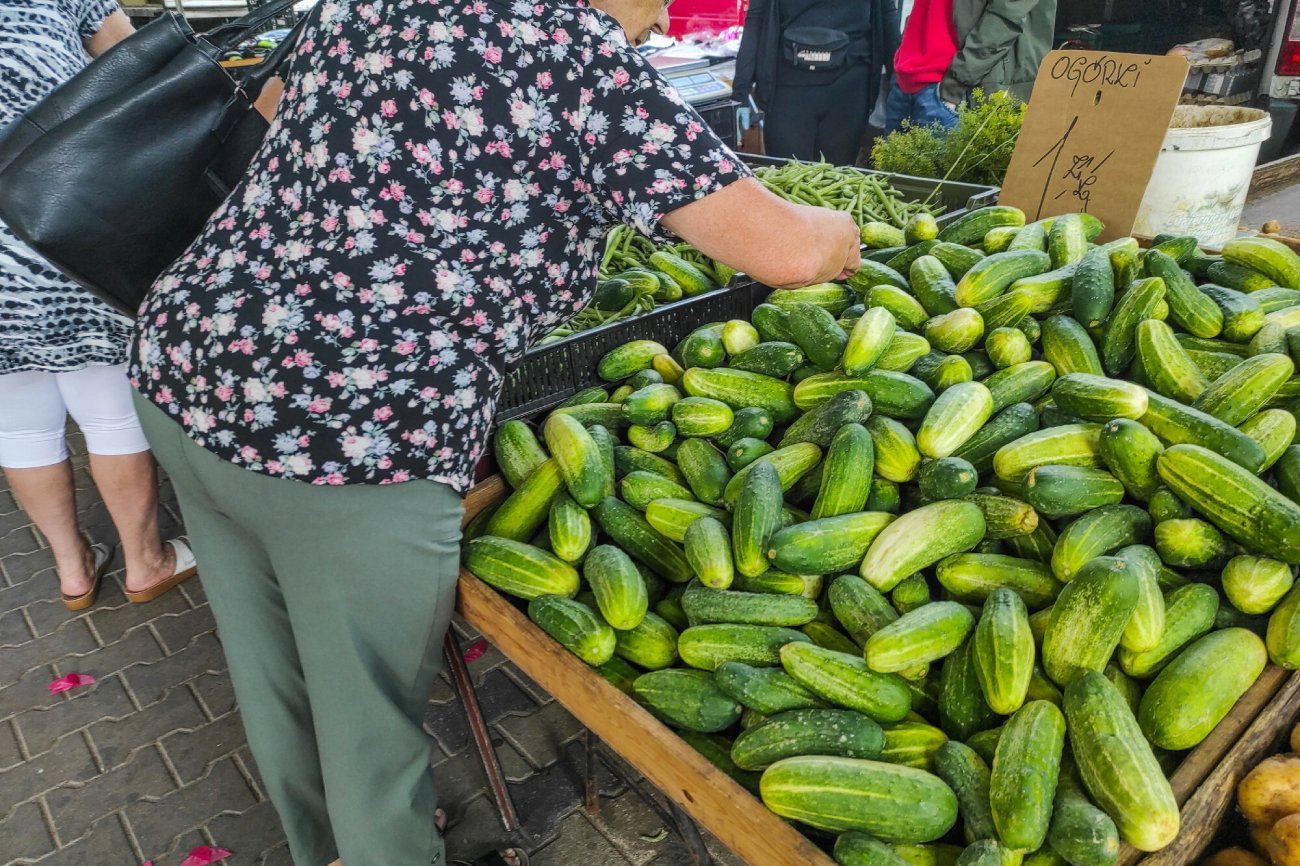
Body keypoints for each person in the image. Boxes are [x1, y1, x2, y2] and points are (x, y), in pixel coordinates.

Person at [128, 0, 860, 862]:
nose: (666, 14)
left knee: (270, 668)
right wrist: (841, 227)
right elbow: (789, 256)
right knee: (369, 726)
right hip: (344, 437)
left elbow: (273, 108)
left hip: (186, 358)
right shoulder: (578, 61)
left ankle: (318, 843)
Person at [0, 0, 197, 611]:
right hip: (60, 224)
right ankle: (147, 562)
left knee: (18, 425)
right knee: (110, 411)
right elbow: (139, 63)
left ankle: (74, 570)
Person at [733, 0, 900, 164]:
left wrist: (899, 83)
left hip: (836, 90)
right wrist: (740, 94)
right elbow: (887, 15)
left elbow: (756, 19)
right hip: (806, 89)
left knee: (802, 180)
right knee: (824, 179)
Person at [885, 0, 1055, 132]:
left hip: (955, 89)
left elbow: (1005, 17)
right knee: (889, 175)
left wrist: (956, 83)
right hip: (907, 79)